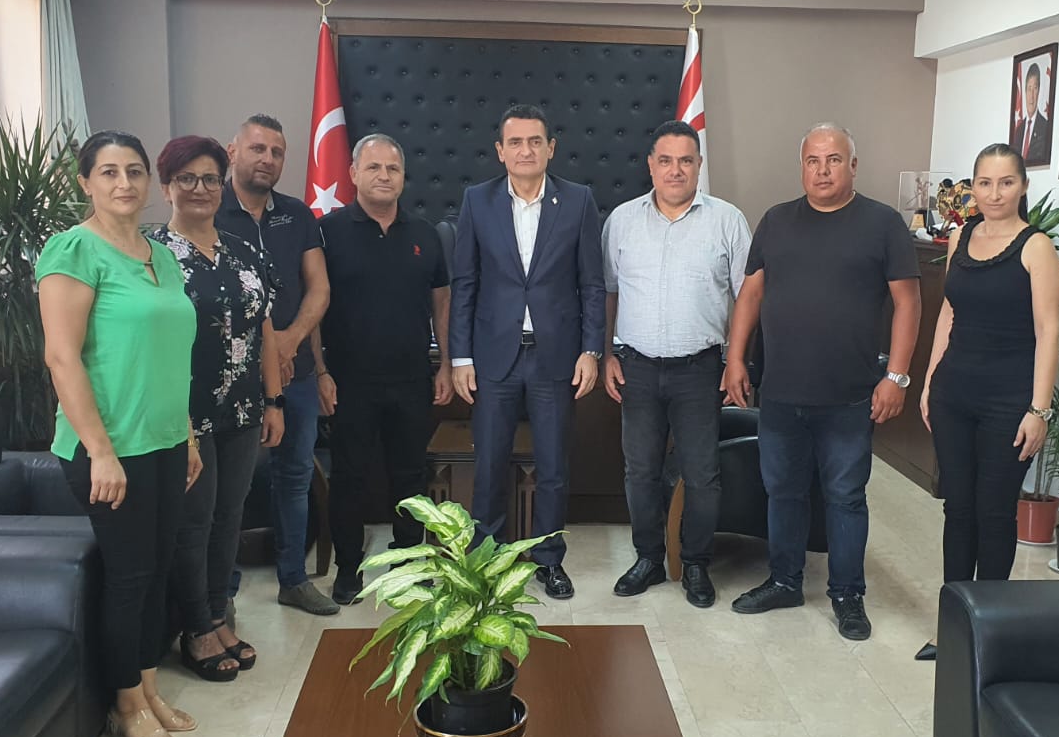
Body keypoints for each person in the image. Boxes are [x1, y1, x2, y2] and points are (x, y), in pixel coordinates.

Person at [722, 125, 921, 640]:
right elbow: (750, 295)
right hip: (781, 392)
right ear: (802, 167)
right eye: (813, 161)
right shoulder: (776, 221)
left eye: (834, 160)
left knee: (845, 497)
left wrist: (897, 376)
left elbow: (908, 302)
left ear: (853, 165)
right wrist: (735, 358)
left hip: (849, 395)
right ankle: (784, 581)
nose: (823, 170)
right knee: (783, 492)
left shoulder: (882, 223)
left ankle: (848, 595)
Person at [37, 130, 200, 737]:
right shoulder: (73, 250)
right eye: (108, 172)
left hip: (164, 440)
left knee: (157, 572)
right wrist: (100, 451)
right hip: (108, 448)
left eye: (134, 171)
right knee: (129, 576)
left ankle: (149, 687)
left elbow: (171, 355)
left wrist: (187, 434)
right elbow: (62, 357)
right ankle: (124, 703)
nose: (124, 183)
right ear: (85, 182)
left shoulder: (161, 254)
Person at [449, 104, 604, 600]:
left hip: (555, 356)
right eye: (515, 142)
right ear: (500, 151)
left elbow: (592, 284)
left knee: (553, 467)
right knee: (490, 464)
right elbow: (465, 283)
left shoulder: (578, 201)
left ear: (550, 148)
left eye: (535, 141)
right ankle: (487, 562)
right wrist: (459, 357)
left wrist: (591, 350)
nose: (525, 150)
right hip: (493, 357)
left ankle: (549, 561)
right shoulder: (478, 200)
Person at [916, 144, 1059, 661]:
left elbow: (1049, 332)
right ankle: (954, 628)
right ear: (972, 188)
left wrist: (1039, 410)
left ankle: (989, 634)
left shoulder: (1036, 247)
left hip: (1009, 402)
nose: (994, 193)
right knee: (958, 509)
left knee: (994, 512)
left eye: (1005, 182)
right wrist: (930, 381)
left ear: (1023, 186)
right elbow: (948, 314)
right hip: (955, 393)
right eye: (984, 182)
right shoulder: (961, 236)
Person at [150, 136, 284, 680]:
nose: (200, 189)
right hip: (185, 413)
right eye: (187, 179)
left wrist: (273, 400)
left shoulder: (244, 251)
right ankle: (195, 629)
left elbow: (265, 330)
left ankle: (218, 615)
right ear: (167, 188)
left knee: (230, 516)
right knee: (195, 520)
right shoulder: (153, 255)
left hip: (243, 408)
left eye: (209, 178)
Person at [602, 120, 751, 608]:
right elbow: (608, 293)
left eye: (686, 160)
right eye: (665, 160)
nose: (675, 170)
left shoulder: (727, 220)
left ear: (699, 165)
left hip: (700, 369)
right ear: (650, 165)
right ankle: (648, 558)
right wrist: (606, 352)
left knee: (702, 473)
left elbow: (748, 297)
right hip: (637, 368)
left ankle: (695, 563)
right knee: (640, 470)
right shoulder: (621, 220)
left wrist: (736, 360)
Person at [314, 134, 454, 606]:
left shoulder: (425, 234)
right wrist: (320, 371)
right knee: (350, 478)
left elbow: (441, 302)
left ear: (403, 177)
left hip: (412, 377)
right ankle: (348, 568)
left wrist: (446, 364)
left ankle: (409, 563)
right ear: (353, 173)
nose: (383, 176)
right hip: (348, 380)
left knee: (410, 477)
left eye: (393, 168)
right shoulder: (328, 232)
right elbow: (314, 305)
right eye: (373, 167)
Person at [216, 114, 332, 615]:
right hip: (231, 378)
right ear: (233, 151)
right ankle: (222, 592)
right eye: (258, 149)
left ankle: (293, 579)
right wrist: (265, 352)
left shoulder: (297, 215)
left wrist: (287, 343)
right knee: (230, 486)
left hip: (295, 371)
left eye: (277, 152)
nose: (267, 159)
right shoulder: (210, 210)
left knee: (294, 477)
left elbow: (319, 289)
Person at [1012, 63, 1051, 165]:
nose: (1032, 96)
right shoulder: (1018, 130)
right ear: (1025, 91)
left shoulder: (1045, 127)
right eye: (1029, 89)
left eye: (1035, 88)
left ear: (1039, 91)